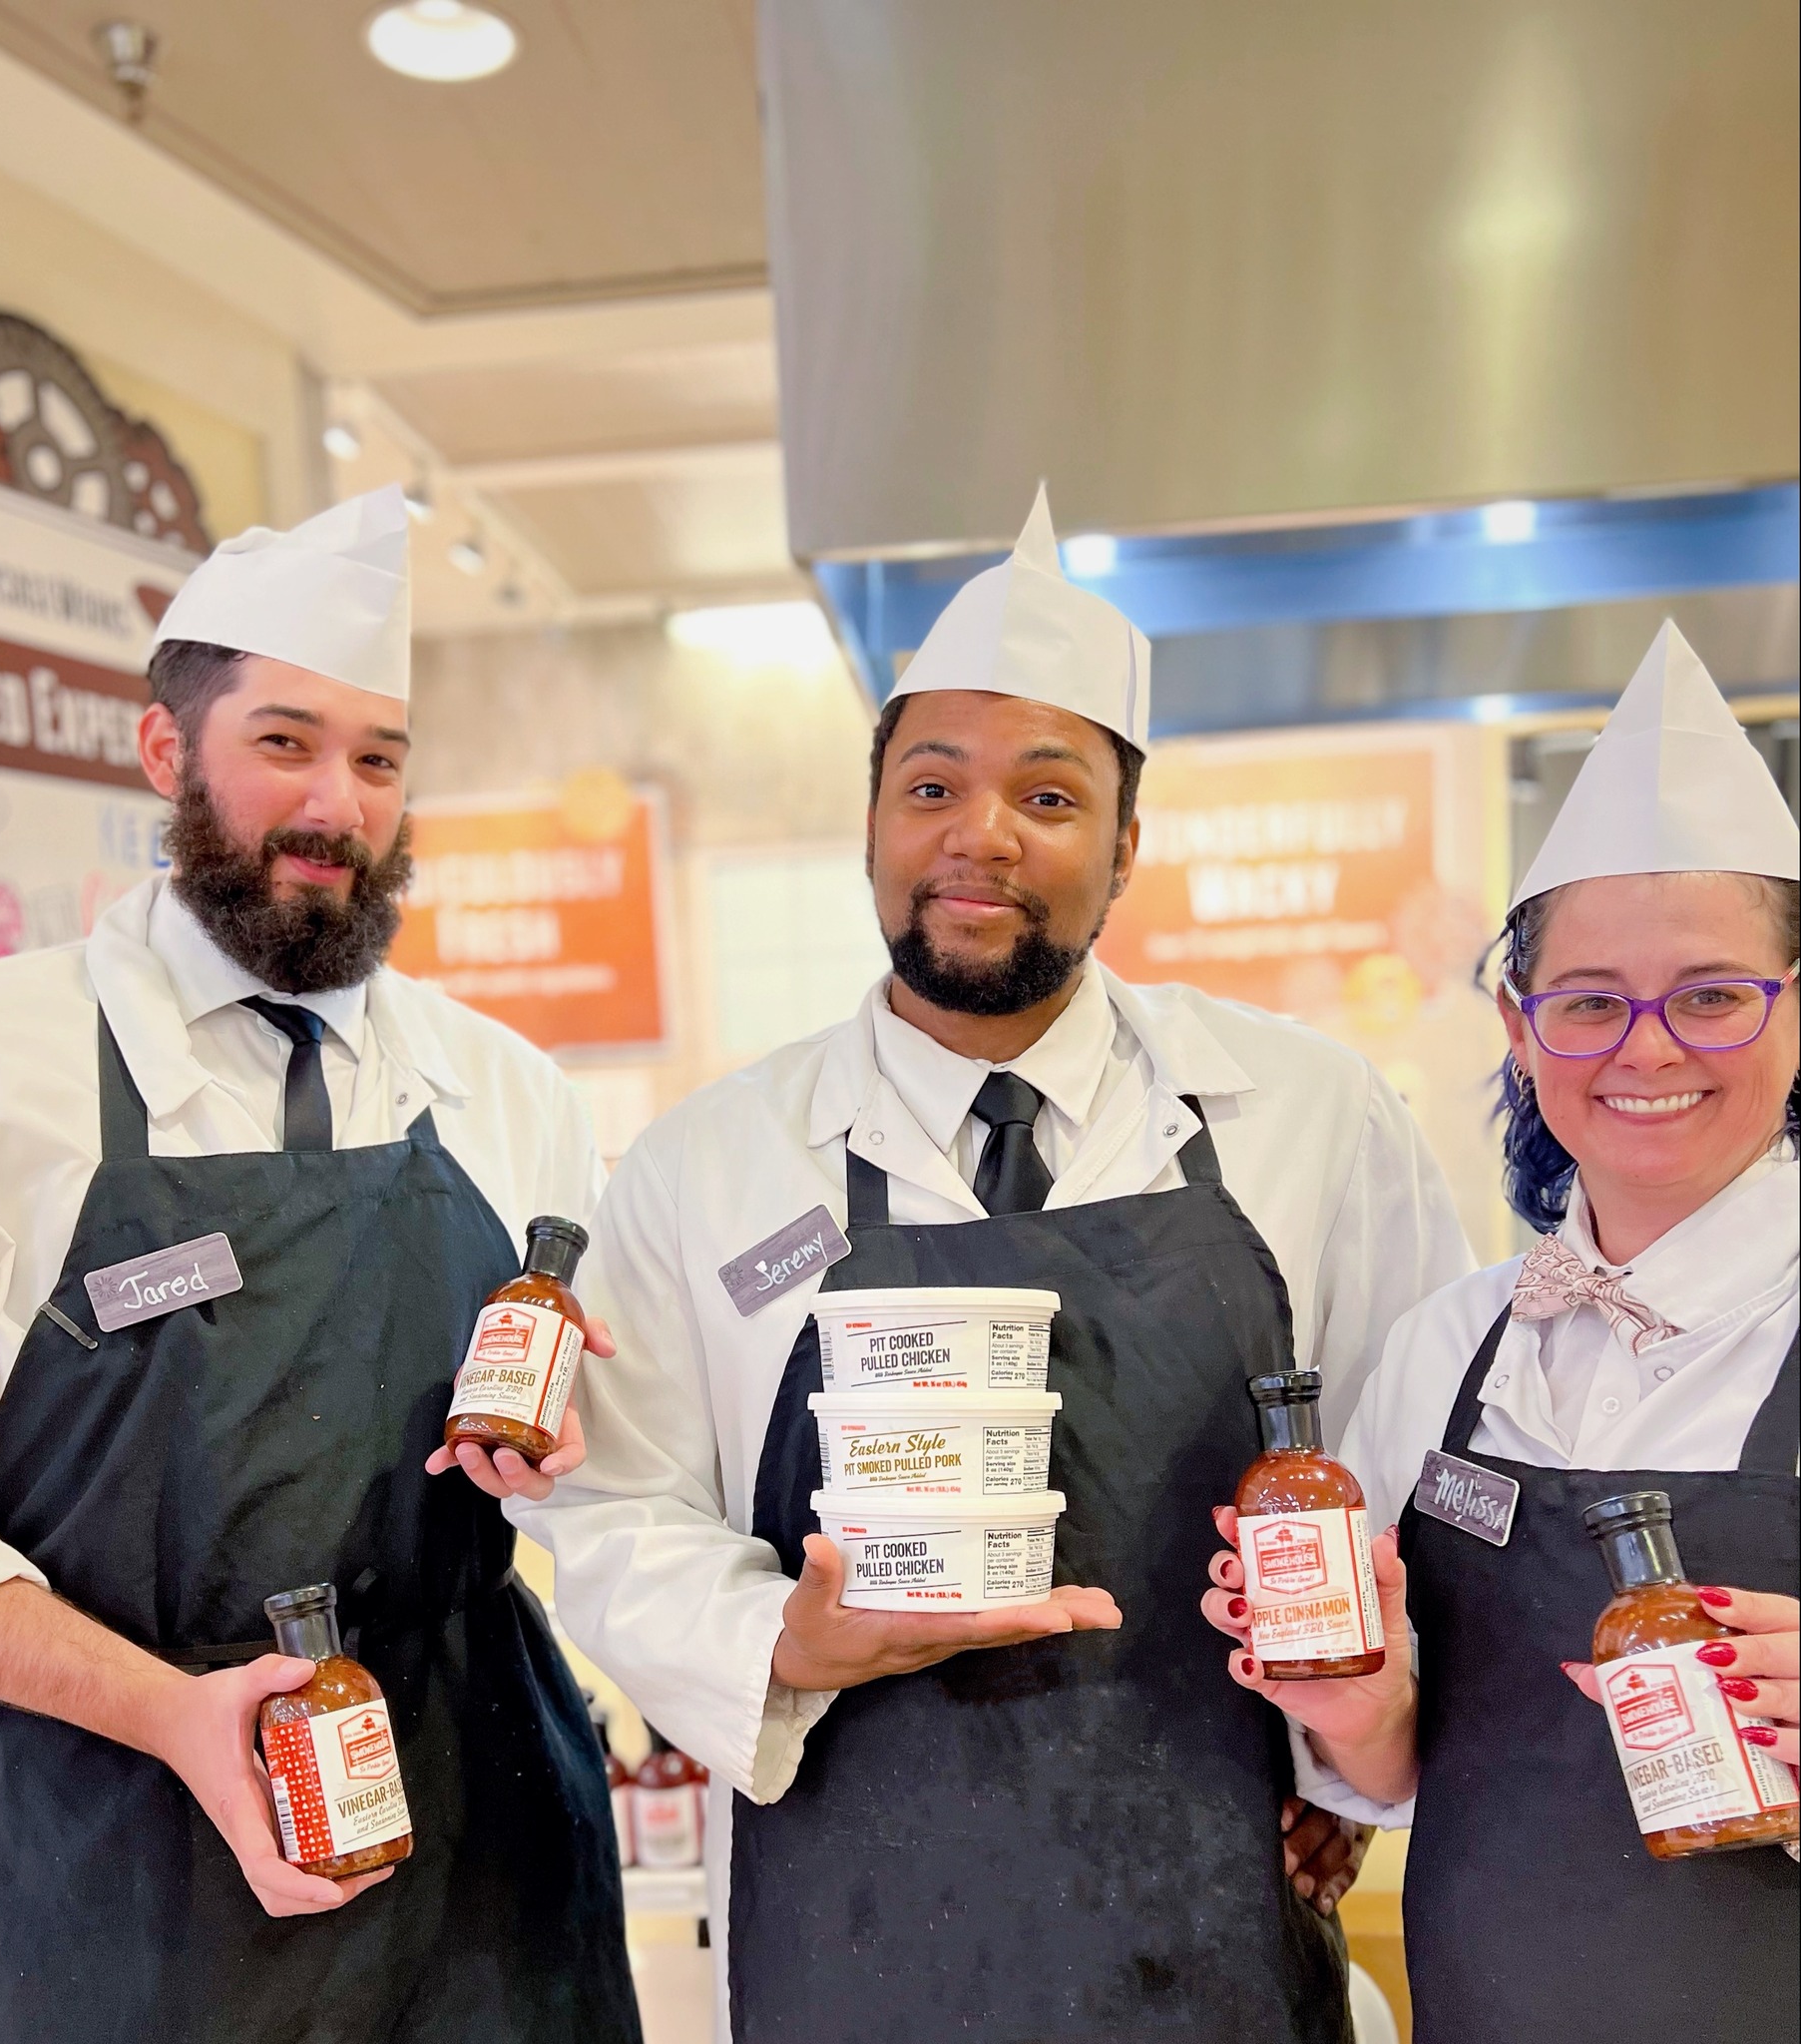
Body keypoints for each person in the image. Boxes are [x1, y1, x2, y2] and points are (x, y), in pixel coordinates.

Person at [460, 489, 1472, 2041]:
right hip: (855, 1932)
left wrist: (1348, 1759)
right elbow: (609, 1511)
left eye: (1048, 796)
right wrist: (776, 1641)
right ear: (873, 822)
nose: (978, 834)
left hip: (1217, 1921)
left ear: (1127, 846)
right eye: (931, 784)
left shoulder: (1311, 1119)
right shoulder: (711, 1167)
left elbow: (1418, 1467)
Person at [0, 488, 641, 2044]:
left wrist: (570, 1458)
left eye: (378, 760)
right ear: (163, 751)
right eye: (284, 744)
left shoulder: (506, 1089)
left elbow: (610, 1471)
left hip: (486, 1854)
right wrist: (171, 1714)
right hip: (117, 1863)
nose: (335, 805)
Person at [1199, 621, 1798, 2042]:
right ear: (1521, 1032)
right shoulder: (1447, 1348)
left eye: (1713, 996)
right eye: (1588, 1004)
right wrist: (1351, 1701)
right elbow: (1407, 1770)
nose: (1648, 1047)